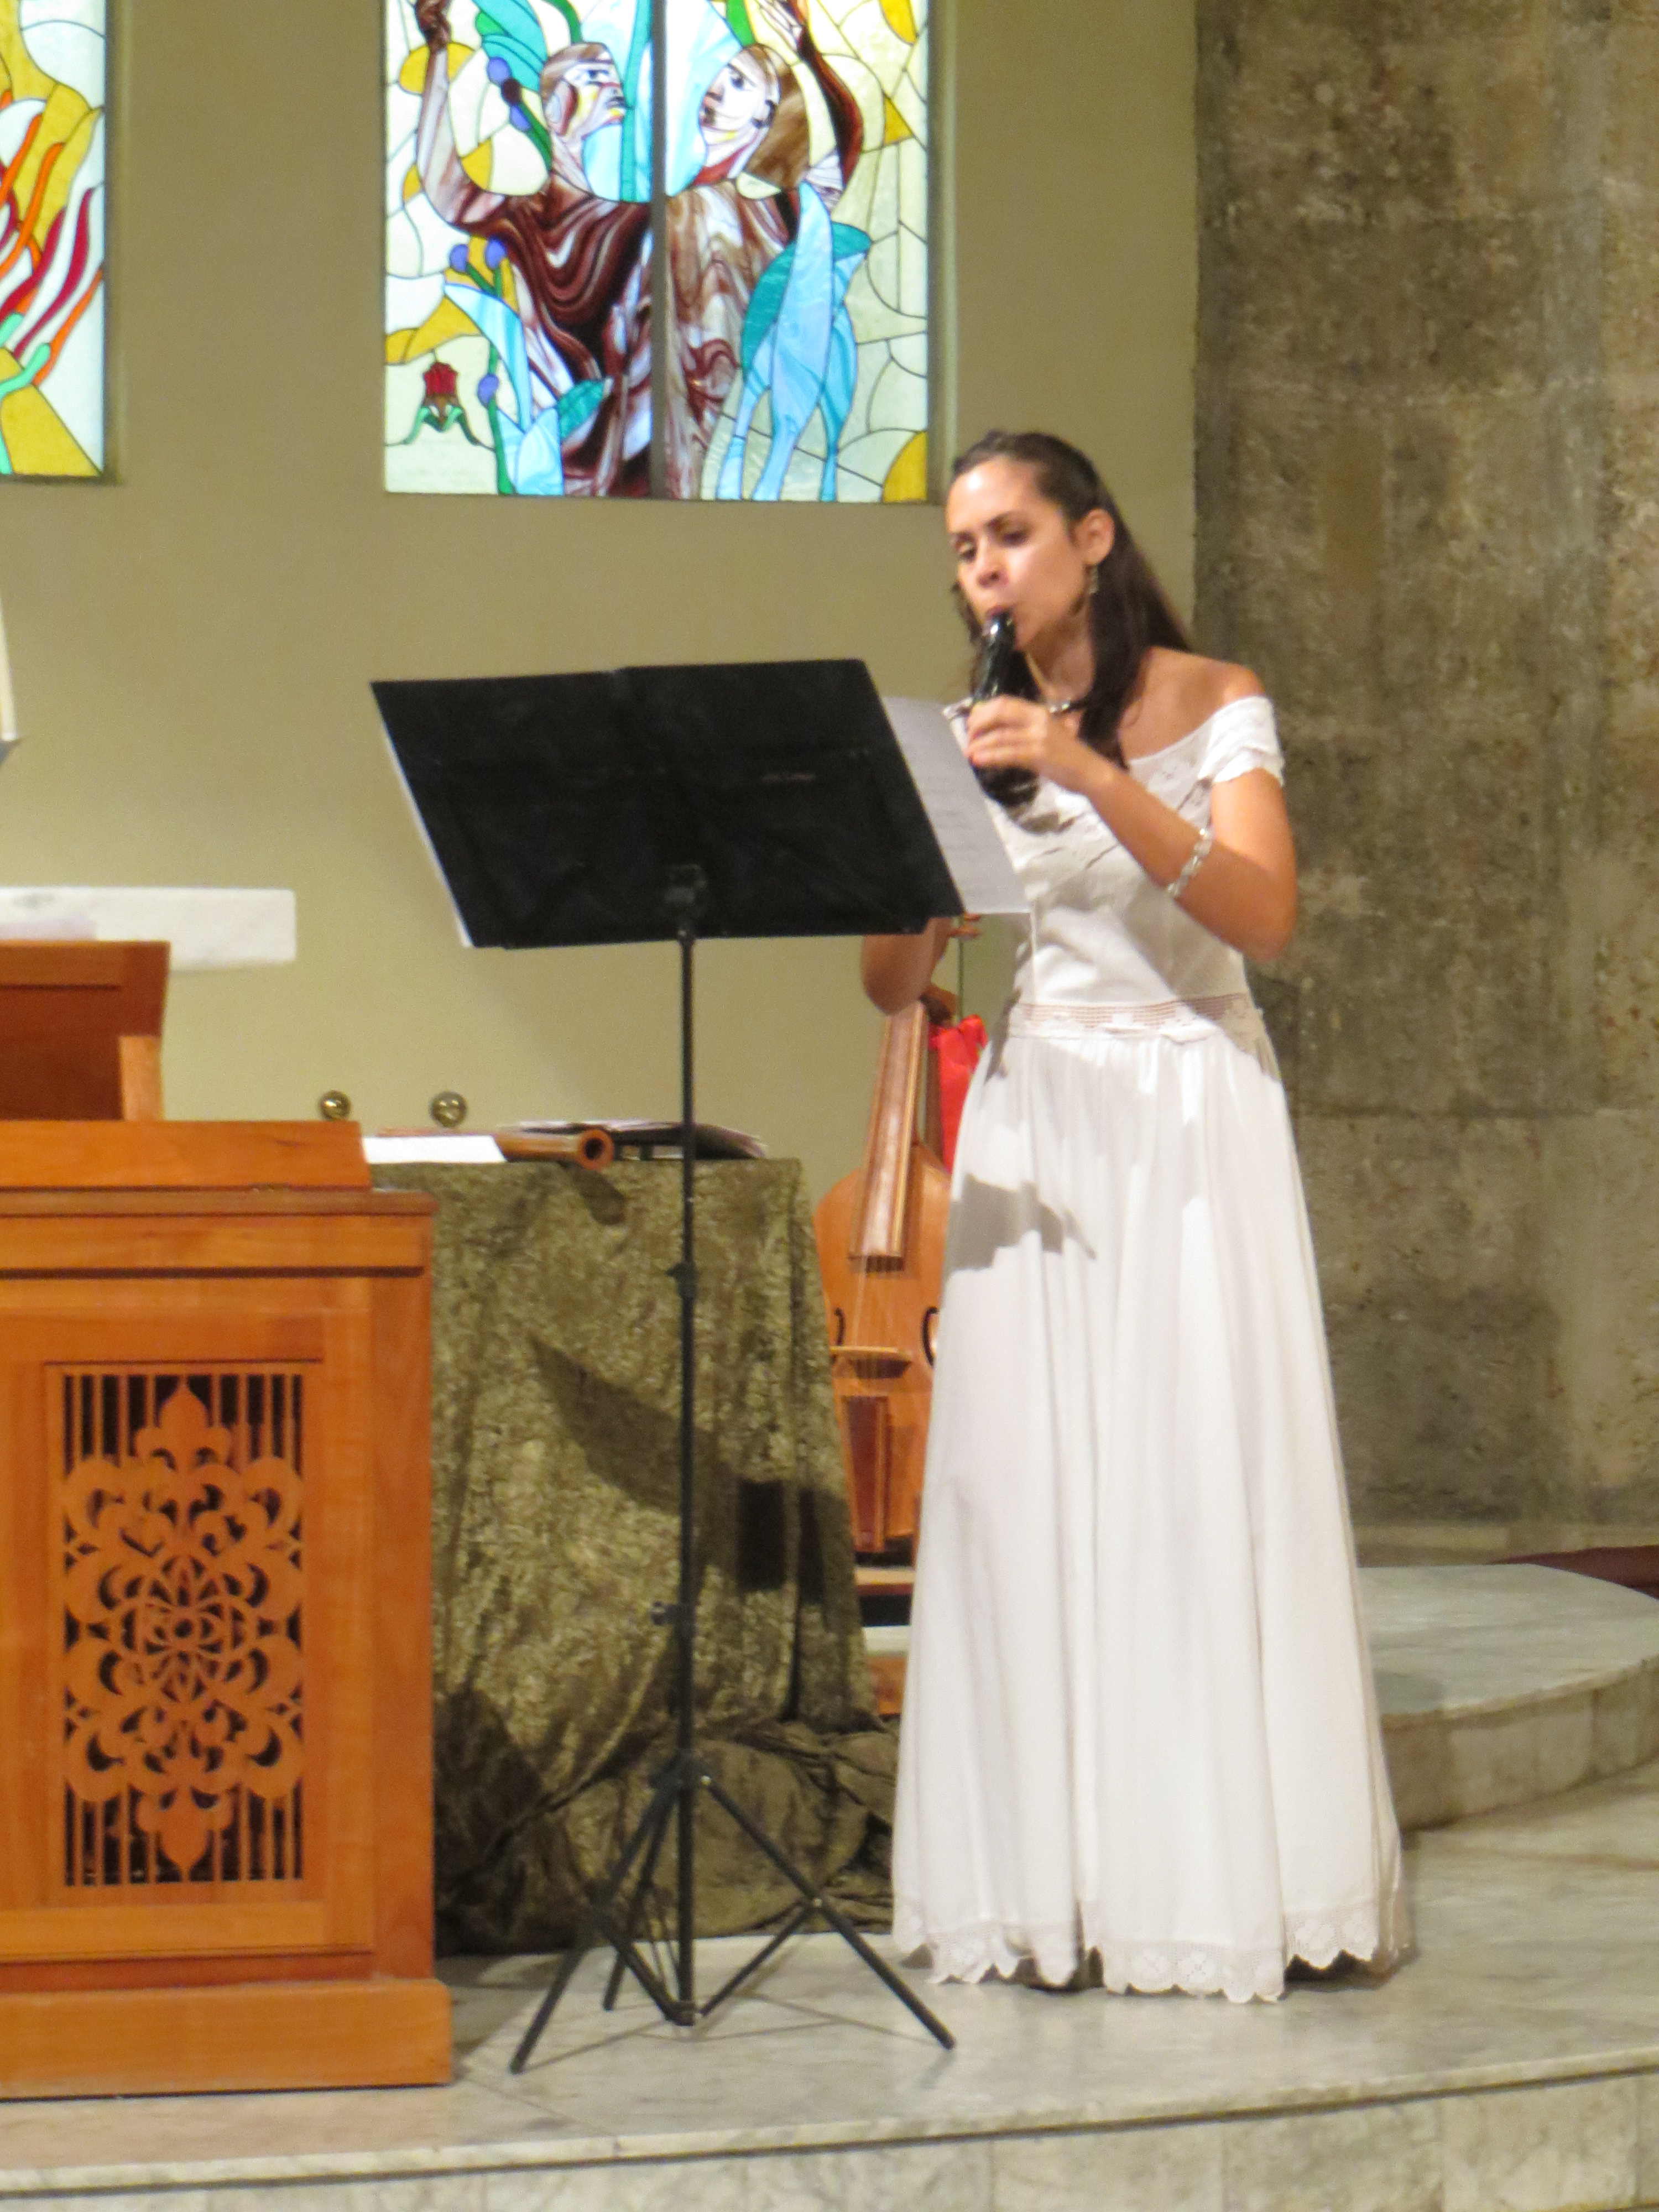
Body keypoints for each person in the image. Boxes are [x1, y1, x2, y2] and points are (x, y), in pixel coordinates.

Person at [873, 431, 1408, 2002]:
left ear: (1092, 538)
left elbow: (1263, 912)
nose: (984, 570)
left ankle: (1210, 1879)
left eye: (1009, 534)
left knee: (1188, 1477)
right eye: (963, 548)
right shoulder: (966, 735)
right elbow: (890, 985)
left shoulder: (1216, 699)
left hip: (1184, 1107)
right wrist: (918, 875)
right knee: (1023, 1491)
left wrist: (1086, 769)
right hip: (1039, 1118)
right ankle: (1048, 1884)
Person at [414, 4, 651, 494]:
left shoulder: (638, 225)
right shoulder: (522, 221)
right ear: (555, 106)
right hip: (546, 457)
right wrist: (438, 50)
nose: (612, 86)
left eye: (611, 75)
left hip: (621, 455)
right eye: (594, 76)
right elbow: (443, 181)